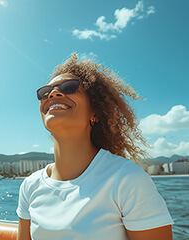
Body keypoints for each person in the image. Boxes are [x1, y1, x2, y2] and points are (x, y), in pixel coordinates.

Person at [16, 53, 174, 240]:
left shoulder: (126, 179)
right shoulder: (30, 186)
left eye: (69, 87)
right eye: (45, 92)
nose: (53, 93)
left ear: (95, 113)